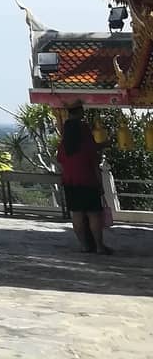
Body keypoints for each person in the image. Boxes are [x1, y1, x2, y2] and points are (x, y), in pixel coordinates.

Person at [56, 103, 111, 255]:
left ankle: (84, 246)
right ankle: (99, 247)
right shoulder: (86, 141)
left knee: (77, 214)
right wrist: (100, 184)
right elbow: (93, 161)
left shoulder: (64, 146)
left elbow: (60, 161)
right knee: (94, 214)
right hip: (88, 181)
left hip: (70, 182)